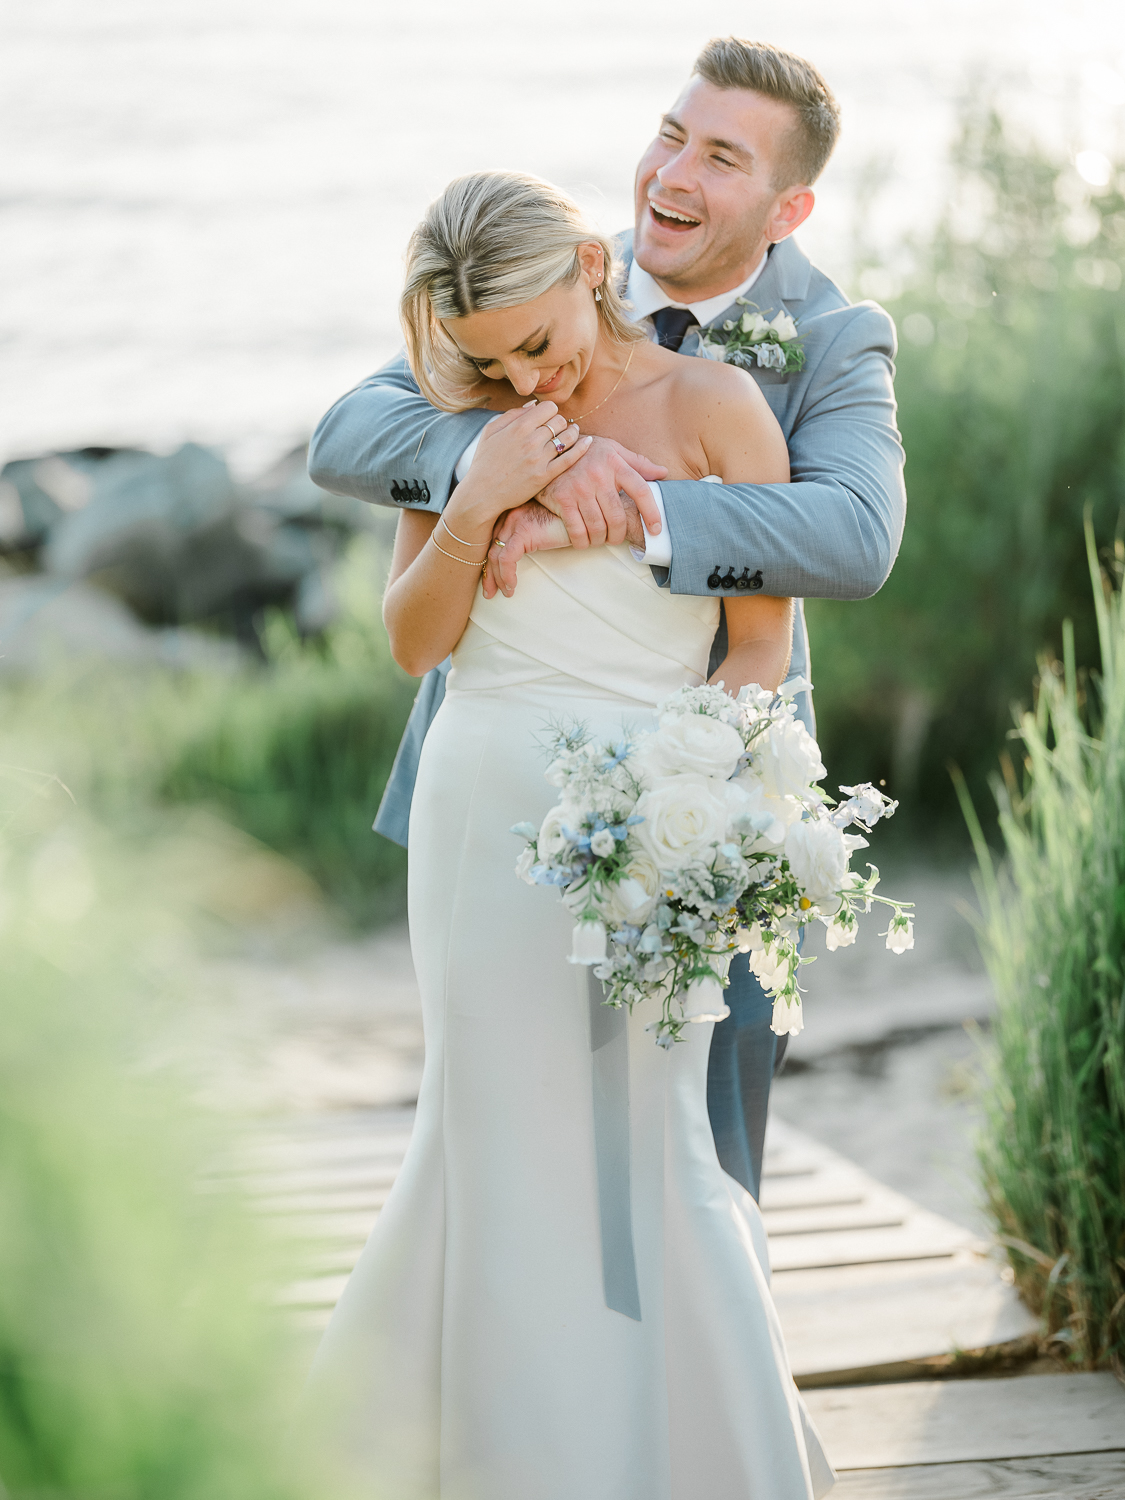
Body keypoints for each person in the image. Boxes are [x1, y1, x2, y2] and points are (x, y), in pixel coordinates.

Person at [307, 167, 834, 1500]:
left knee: (646, 1137)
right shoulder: (463, 418)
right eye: (489, 360)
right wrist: (481, 492)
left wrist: (691, 805)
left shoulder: (716, 409)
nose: (524, 381)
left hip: (648, 815)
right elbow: (413, 641)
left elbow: (760, 646)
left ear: (593, 267)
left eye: (538, 345)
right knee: (492, 1129)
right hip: (482, 814)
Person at [308, 37, 907, 1203]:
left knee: (703, 1171)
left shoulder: (828, 341)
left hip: (705, 800)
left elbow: (853, 537)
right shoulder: (523, 287)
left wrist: (628, 506)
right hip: (493, 798)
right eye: (672, 134)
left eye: (722, 157)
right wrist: (496, 456)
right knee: (514, 1150)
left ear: (790, 205)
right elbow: (348, 437)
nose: (673, 176)